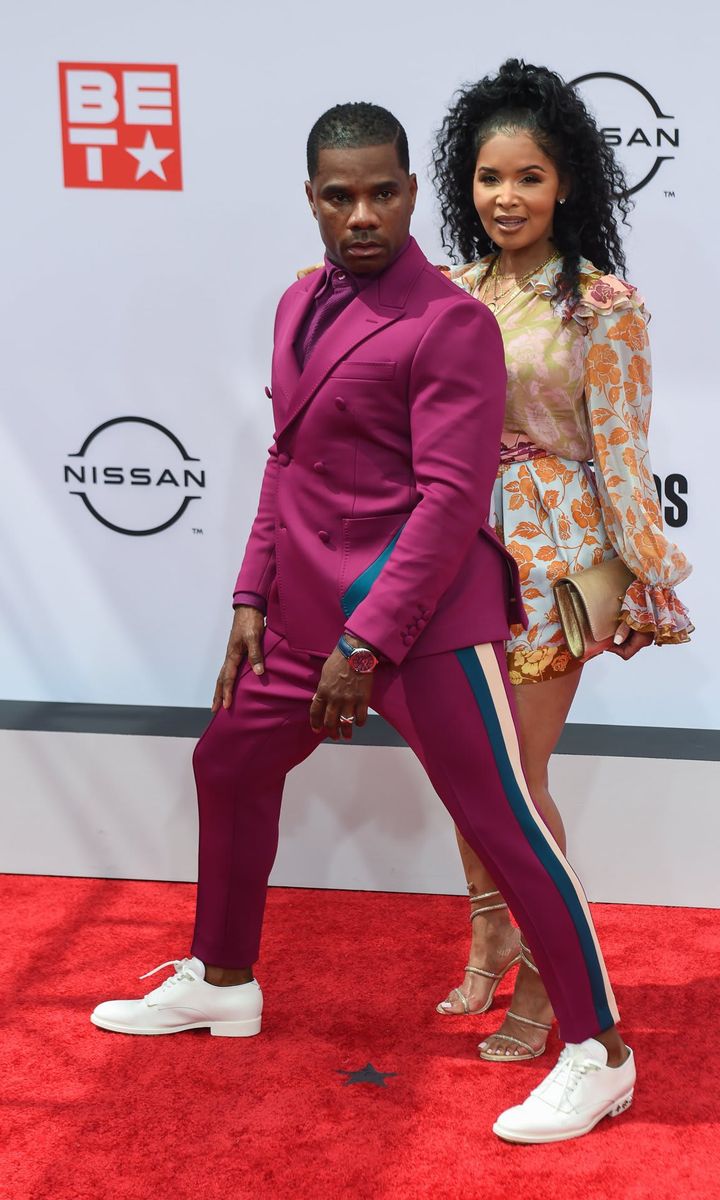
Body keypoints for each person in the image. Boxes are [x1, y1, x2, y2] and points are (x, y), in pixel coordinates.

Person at [92, 101, 637, 1144]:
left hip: (420, 621)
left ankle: (600, 1050)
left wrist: (365, 642)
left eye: (383, 192)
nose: (362, 214)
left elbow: (447, 503)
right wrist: (252, 597)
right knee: (228, 766)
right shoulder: (299, 307)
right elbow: (286, 461)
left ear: (411, 193)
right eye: (339, 196)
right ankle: (221, 977)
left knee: (504, 822)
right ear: (311, 200)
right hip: (305, 611)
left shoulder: (450, 321)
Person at [431, 60, 693, 1061]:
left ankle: (549, 980)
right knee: (468, 772)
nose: (507, 197)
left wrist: (645, 577)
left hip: (558, 561)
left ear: (567, 183)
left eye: (529, 177)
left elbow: (624, 453)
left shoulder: (605, 306)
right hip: (456, 549)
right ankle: (493, 925)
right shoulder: (447, 291)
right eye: (491, 177)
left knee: (514, 781)